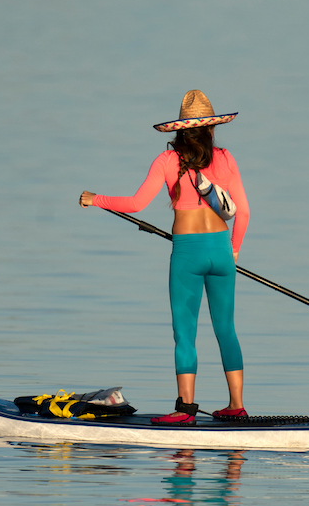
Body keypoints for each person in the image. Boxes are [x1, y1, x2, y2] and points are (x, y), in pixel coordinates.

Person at [80, 90, 250, 424]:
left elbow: (136, 203)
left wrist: (94, 198)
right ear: (211, 129)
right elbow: (242, 213)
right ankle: (236, 405)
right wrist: (233, 251)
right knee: (226, 329)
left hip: (188, 253)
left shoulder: (168, 161)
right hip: (221, 251)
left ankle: (185, 411)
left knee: (185, 333)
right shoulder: (227, 157)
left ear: (179, 131)